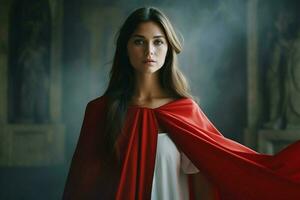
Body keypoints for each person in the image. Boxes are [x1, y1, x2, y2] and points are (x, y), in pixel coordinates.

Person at [63, 7, 300, 200]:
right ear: (125, 48)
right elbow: (83, 186)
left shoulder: (185, 111)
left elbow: (206, 179)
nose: (149, 51)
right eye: (139, 41)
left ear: (168, 48)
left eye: (158, 42)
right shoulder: (100, 111)